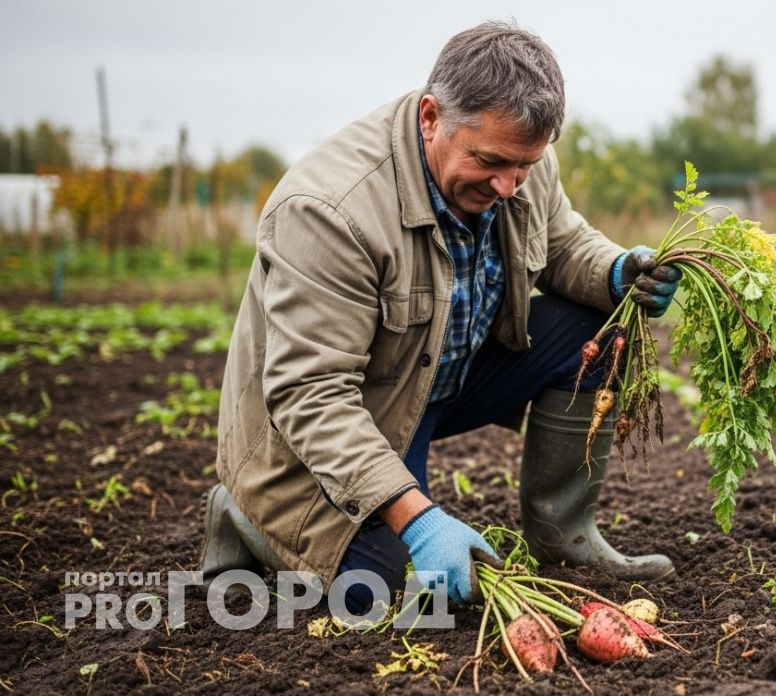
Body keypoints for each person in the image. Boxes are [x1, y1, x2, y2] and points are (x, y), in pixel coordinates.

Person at [198, 21, 682, 613]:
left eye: (526, 165)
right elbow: (311, 395)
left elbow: (560, 244)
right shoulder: (329, 212)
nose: (509, 185)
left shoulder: (518, 161)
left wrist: (616, 272)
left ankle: (565, 536)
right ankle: (247, 514)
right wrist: (419, 520)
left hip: (438, 381)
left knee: (600, 331)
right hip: (338, 426)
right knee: (398, 595)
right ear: (431, 117)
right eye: (492, 162)